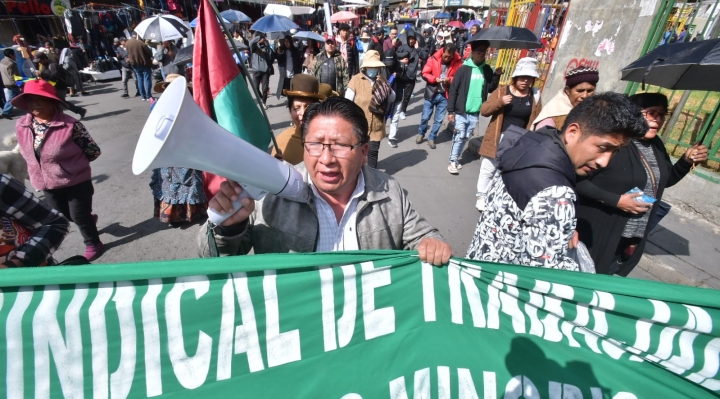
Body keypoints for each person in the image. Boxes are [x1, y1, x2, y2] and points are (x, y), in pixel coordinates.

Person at [198, 97, 453, 265]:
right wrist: (228, 229)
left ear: (364, 152)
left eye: (341, 146)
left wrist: (431, 244)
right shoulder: (271, 192)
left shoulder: (389, 193)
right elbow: (212, 258)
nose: (327, 159)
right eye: (316, 145)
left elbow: (424, 236)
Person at [465, 93, 648, 270]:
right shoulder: (556, 194)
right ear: (573, 132)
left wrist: (557, 229)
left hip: (480, 267)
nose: (604, 161)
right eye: (602, 148)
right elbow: (545, 274)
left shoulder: (531, 144)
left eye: (614, 152)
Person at [575, 93, 709, 276]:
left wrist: (686, 161)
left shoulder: (657, 145)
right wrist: (616, 201)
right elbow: (578, 182)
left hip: (631, 237)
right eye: (651, 112)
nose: (658, 119)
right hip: (598, 233)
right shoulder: (615, 142)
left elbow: (664, 181)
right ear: (633, 113)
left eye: (662, 114)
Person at [12, 80, 104, 261]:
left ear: (53, 101)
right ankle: (87, 219)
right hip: (45, 182)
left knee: (79, 215)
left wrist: (70, 168)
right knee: (62, 215)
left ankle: (93, 242)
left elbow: (93, 151)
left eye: (40, 99)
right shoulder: (22, 125)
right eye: (31, 100)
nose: (35, 104)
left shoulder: (71, 125)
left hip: (76, 180)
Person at [475, 57, 542, 211]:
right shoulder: (501, 91)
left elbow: (537, 119)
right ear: (516, 77)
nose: (525, 81)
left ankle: (492, 196)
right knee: (488, 168)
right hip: (499, 137)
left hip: (519, 140)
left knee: (503, 172)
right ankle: (481, 196)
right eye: (523, 77)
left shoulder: (535, 95)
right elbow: (484, 110)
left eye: (529, 78)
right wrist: (500, 102)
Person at [149, 75, 208, 227]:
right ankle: (175, 216)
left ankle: (188, 213)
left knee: (187, 181)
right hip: (169, 150)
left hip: (185, 149)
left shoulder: (190, 105)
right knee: (171, 183)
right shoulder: (160, 105)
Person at [446, 40, 501, 174]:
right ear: (473, 52)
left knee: (466, 136)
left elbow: (491, 88)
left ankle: (456, 158)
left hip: (475, 112)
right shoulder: (464, 69)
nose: (482, 54)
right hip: (461, 111)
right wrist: (451, 110)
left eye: (484, 51)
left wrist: (497, 76)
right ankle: (452, 160)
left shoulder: (487, 69)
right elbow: (453, 90)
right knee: (459, 135)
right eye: (479, 51)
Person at [0, 174, 70, 267]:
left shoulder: (2, 185)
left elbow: (55, 223)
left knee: (79, 214)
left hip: (30, 278)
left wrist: (15, 263)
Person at [345, 50, 395, 169]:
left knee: (373, 152)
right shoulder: (356, 80)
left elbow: (392, 98)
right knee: (358, 152)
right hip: (359, 125)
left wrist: (385, 85)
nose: (373, 69)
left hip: (376, 125)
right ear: (365, 67)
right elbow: (348, 102)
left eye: (375, 67)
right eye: (371, 66)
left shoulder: (382, 80)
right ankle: (358, 175)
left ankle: (371, 176)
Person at [271, 74, 326, 164]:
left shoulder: (329, 138)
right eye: (296, 108)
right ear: (290, 111)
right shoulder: (282, 142)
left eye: (308, 107)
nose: (303, 113)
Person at [416, 43, 462, 149]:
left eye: (450, 57)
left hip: (445, 95)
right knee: (425, 117)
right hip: (432, 92)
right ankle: (421, 133)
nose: (447, 58)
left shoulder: (458, 62)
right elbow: (424, 72)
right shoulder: (433, 58)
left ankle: (432, 138)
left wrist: (449, 80)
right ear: (442, 52)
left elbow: (459, 78)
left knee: (439, 120)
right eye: (445, 56)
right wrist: (434, 79)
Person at [387, 29, 424, 147]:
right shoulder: (402, 48)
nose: (412, 40)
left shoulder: (418, 48)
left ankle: (403, 110)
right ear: (407, 39)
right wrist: (401, 61)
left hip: (411, 76)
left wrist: (418, 48)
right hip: (399, 77)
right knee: (391, 104)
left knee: (406, 96)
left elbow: (424, 55)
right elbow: (393, 57)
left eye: (413, 39)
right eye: (410, 38)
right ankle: (383, 127)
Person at [532, 66, 598, 130]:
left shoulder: (597, 111)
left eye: (589, 91)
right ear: (567, 90)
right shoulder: (552, 115)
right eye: (580, 91)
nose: (585, 96)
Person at [32, 52, 87, 120]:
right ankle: (78, 111)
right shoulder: (45, 66)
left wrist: (42, 74)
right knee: (59, 103)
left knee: (59, 103)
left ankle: (62, 118)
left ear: (44, 59)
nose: (40, 63)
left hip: (59, 87)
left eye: (40, 61)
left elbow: (55, 77)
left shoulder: (53, 65)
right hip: (53, 87)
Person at [126, 32, 154, 101]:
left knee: (140, 79)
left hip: (135, 64)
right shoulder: (140, 43)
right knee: (147, 79)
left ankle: (143, 96)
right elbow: (150, 53)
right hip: (144, 63)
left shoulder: (127, 43)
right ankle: (148, 96)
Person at [249, 33, 274, 108]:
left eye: (262, 38)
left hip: (265, 71)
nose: (262, 39)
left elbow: (271, 58)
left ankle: (264, 102)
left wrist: (268, 48)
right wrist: (258, 38)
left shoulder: (267, 48)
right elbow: (250, 43)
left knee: (265, 88)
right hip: (256, 70)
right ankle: (261, 97)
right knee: (255, 87)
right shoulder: (254, 47)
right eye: (261, 38)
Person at [275, 34, 303, 100]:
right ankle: (290, 102)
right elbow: (279, 61)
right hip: (285, 74)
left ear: (290, 42)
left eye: (287, 41)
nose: (286, 43)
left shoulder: (295, 51)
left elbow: (299, 62)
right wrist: (279, 54)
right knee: (287, 91)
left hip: (294, 74)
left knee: (293, 90)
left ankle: (291, 102)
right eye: (285, 41)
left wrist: (299, 72)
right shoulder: (282, 50)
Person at [1, 49, 20, 120]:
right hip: (13, 84)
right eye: (14, 54)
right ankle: (31, 109)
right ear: (11, 55)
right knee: (24, 96)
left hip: (6, 83)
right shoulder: (11, 64)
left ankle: (5, 112)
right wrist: (19, 84)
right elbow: (14, 77)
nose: (15, 56)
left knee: (11, 98)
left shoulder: (2, 61)